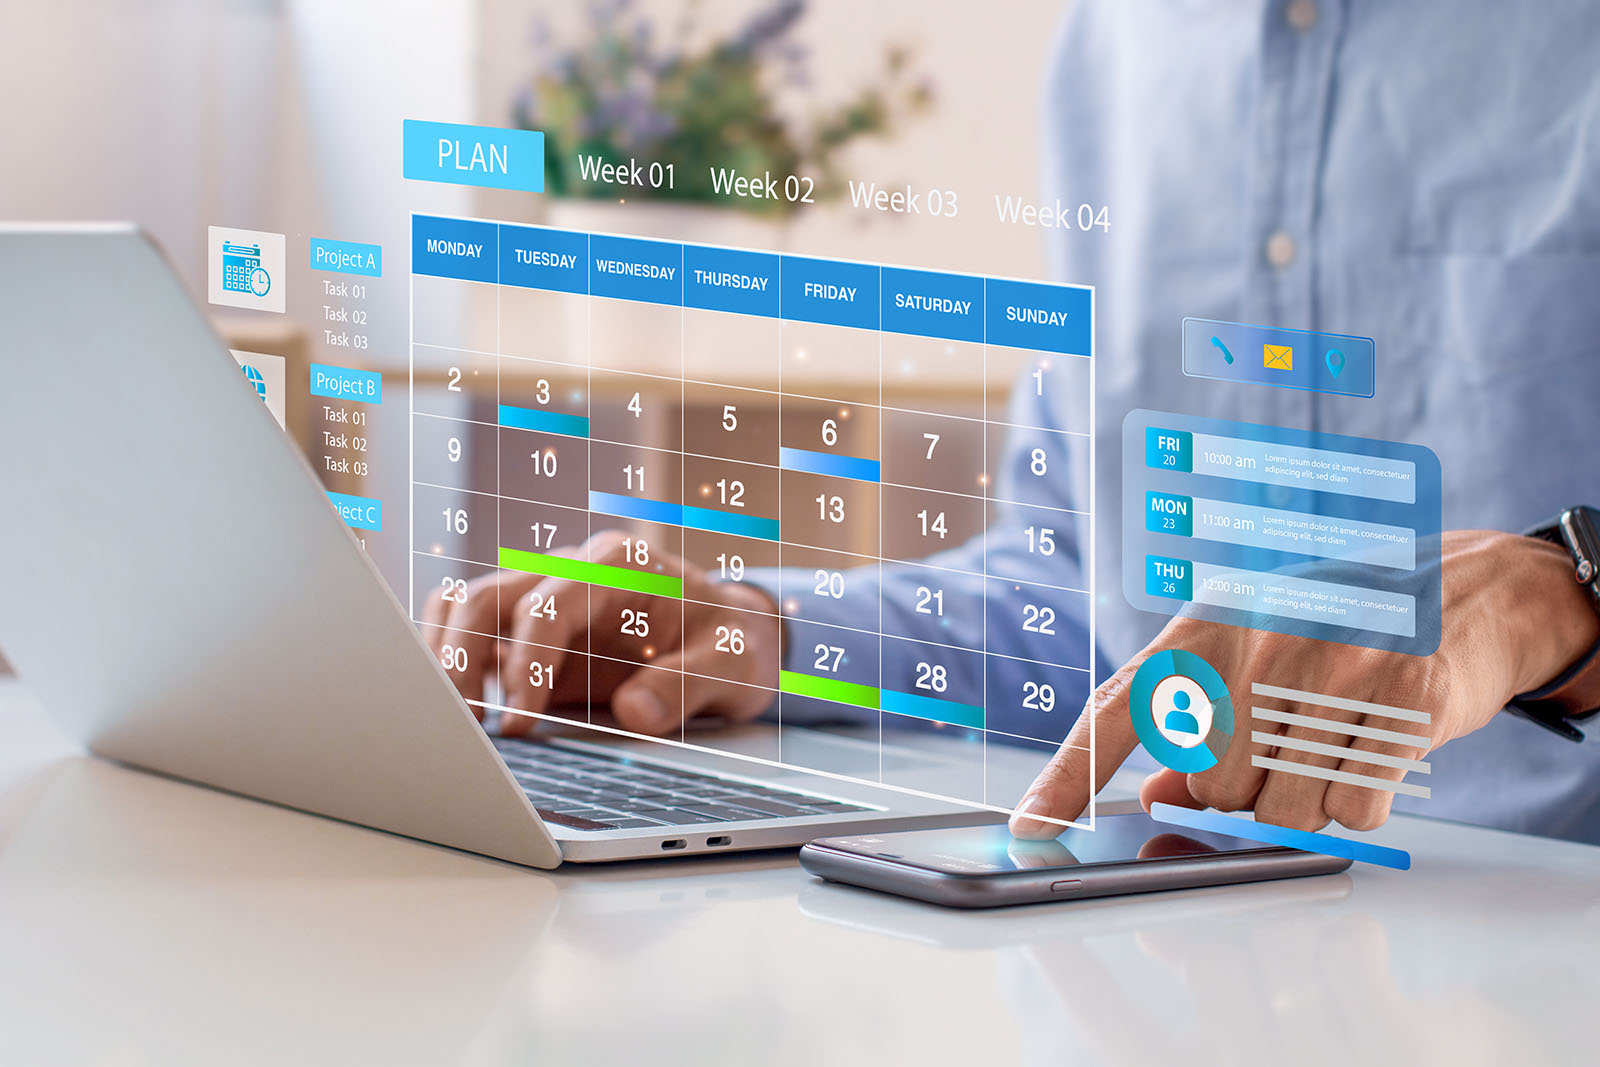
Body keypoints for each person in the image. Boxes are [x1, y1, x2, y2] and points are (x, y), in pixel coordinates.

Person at [426, 0, 1600, 845]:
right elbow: (1085, 605)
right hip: (1166, 948)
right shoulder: (1113, 44)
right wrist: (753, 629)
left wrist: (1566, 589)